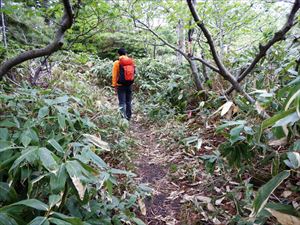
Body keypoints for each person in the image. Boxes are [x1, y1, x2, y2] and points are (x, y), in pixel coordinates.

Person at [112, 48, 135, 120]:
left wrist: (114, 85)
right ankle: (129, 117)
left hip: (120, 85)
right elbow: (134, 73)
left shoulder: (117, 63)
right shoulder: (131, 62)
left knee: (122, 102)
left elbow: (114, 75)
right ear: (126, 54)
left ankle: (123, 118)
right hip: (129, 84)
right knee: (128, 101)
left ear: (118, 54)